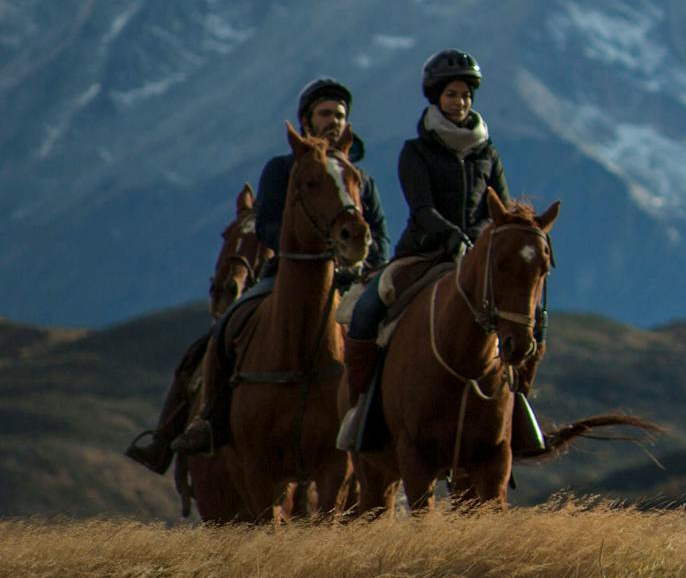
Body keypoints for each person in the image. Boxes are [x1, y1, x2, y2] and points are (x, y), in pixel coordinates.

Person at [173, 76, 388, 455]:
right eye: (325, 113)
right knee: (228, 325)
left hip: (349, 278)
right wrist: (298, 246)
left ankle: (385, 424)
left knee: (387, 337)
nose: (333, 121)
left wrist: (367, 265)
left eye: (340, 115)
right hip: (290, 274)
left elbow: (377, 230)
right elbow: (266, 223)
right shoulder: (280, 169)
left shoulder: (359, 178)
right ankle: (210, 418)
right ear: (306, 120)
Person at [337, 49, 533, 450]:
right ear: (435, 98)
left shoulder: (488, 154)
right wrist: (450, 236)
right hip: (422, 253)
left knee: (525, 319)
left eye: (464, 95)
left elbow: (501, 210)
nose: (459, 102)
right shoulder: (415, 151)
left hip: (477, 256)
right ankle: (360, 409)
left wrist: (478, 236)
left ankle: (518, 413)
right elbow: (421, 207)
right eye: (451, 95)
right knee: (368, 311)